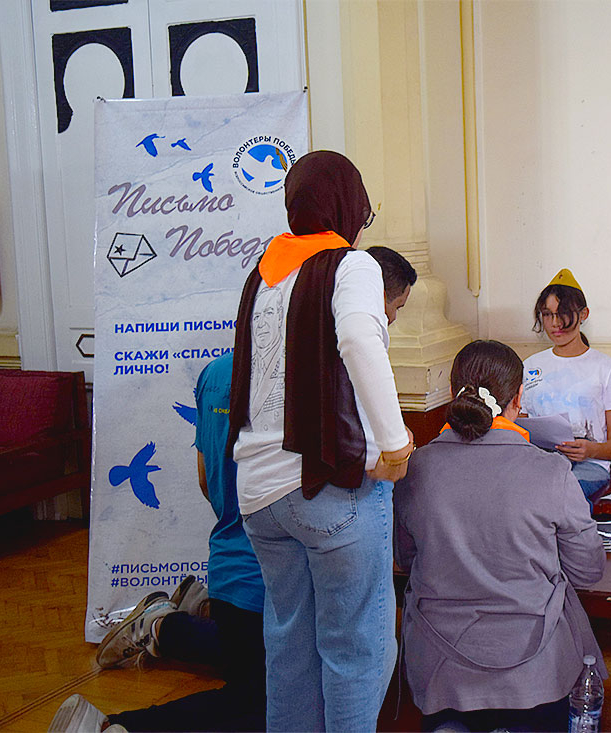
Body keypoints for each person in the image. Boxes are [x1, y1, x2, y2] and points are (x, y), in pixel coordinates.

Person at [228, 150, 415, 732]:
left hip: (258, 494)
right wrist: (395, 443)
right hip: (326, 487)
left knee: (290, 652)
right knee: (356, 652)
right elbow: (359, 340)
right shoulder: (350, 265)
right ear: (347, 204)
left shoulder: (264, 272)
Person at [394, 339, 607, 732]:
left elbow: (406, 560)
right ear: (519, 398)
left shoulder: (415, 468)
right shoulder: (550, 471)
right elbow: (588, 571)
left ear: (453, 392)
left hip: (442, 669)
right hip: (534, 669)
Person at [50, 353, 266, 732]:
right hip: (268, 580)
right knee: (268, 702)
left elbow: (206, 480)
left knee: (261, 671)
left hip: (232, 567)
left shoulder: (216, 373)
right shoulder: (302, 373)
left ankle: (168, 626)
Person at [522, 268, 611, 506]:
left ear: (583, 314)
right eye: (547, 315)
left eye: (563, 314)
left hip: (589, 466)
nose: (555, 324)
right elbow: (520, 425)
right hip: (540, 463)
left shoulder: (607, 368)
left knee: (563, 494)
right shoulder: (530, 366)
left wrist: (590, 450)